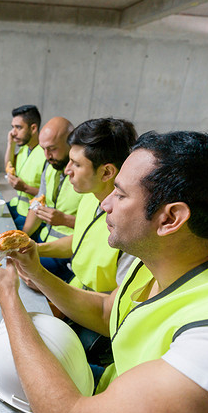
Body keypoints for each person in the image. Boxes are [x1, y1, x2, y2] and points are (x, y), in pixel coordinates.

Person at [0, 130, 208, 413]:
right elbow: (109, 311)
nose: (104, 204)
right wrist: (36, 272)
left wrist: (8, 299)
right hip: (116, 387)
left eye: (120, 194)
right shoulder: (171, 252)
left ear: (170, 218)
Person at [34, 118, 137, 293]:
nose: (67, 170)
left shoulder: (131, 229)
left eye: (76, 164)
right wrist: (35, 250)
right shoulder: (90, 198)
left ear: (106, 172)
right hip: (75, 288)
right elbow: (81, 241)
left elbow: (112, 306)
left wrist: (49, 285)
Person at [21, 117, 81, 281]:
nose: (47, 156)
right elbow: (37, 204)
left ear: (71, 143)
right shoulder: (50, 166)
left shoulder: (87, 177)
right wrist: (22, 236)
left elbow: (97, 227)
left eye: (53, 149)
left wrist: (64, 220)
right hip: (43, 242)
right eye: (43, 149)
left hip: (67, 253)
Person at [5, 105, 46, 230]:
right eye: (13, 127)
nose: (13, 132)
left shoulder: (46, 155)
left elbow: (50, 196)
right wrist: (10, 144)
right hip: (17, 206)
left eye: (18, 127)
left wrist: (25, 188)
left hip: (30, 216)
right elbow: (8, 166)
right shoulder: (24, 149)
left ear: (33, 128)